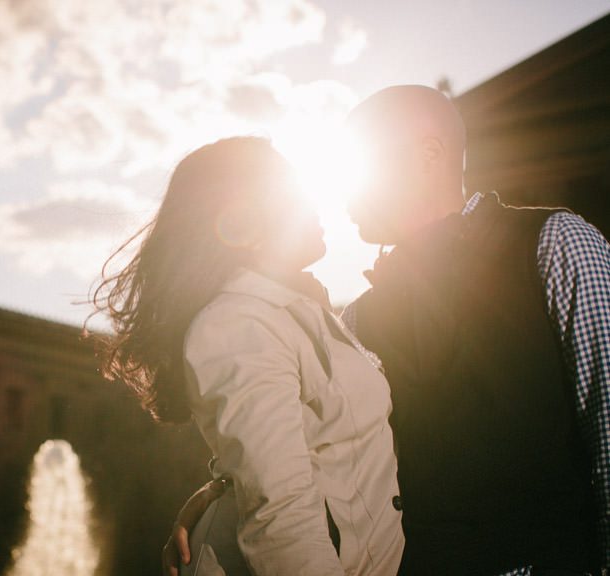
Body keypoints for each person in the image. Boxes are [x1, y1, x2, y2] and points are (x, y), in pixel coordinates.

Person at [164, 86, 610, 576]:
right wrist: (222, 496)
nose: (343, 191)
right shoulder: (353, 324)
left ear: (429, 154)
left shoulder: (556, 243)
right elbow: (324, 457)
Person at [91, 136, 404, 575]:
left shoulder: (299, 311)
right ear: (243, 226)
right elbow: (280, 513)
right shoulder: (237, 321)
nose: (311, 200)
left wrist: (222, 483)